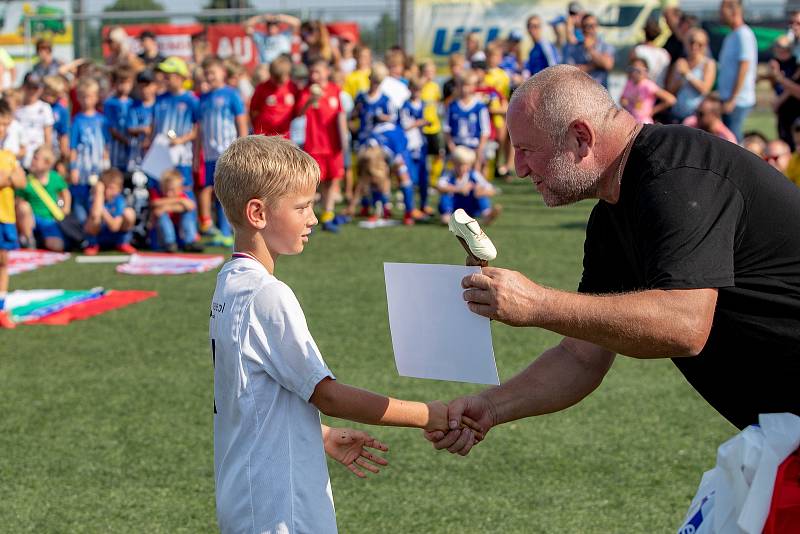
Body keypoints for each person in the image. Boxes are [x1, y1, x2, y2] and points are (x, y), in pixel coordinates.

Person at [424, 65, 800, 459]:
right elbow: (581, 356)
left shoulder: (677, 175)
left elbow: (685, 325)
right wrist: (492, 408)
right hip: (783, 435)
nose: (519, 170)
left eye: (527, 151)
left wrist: (537, 304)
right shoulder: (612, 213)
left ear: (581, 137)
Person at [209, 135, 459, 534]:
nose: (314, 218)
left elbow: (249, 395)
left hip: (247, 496)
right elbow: (327, 393)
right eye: (303, 206)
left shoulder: (229, 284)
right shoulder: (267, 295)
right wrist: (429, 414)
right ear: (257, 212)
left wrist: (318, 434)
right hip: (279, 509)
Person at [198, 56, 248, 246]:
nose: (209, 76)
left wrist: (242, 145)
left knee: (229, 192)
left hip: (229, 152)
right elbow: (200, 127)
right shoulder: (203, 98)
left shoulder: (231, 94)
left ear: (223, 73)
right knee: (218, 192)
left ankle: (232, 231)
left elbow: (241, 120)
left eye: (212, 72)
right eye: (206, 73)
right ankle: (223, 231)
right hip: (210, 154)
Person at [295, 60, 347, 232]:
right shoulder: (307, 92)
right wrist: (311, 100)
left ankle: (328, 215)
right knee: (312, 184)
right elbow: (299, 113)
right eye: (312, 72)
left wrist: (343, 140)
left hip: (332, 146)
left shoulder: (334, 90)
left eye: (317, 71)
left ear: (326, 71)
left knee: (332, 181)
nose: (313, 75)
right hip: (314, 146)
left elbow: (340, 115)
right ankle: (307, 218)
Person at [152, 57, 199, 194]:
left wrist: (181, 140)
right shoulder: (160, 99)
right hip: (161, 154)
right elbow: (154, 125)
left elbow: (198, 129)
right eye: (164, 74)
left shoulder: (191, 99)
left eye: (169, 74)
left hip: (182, 155)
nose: (165, 77)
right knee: (160, 191)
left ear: (180, 77)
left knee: (183, 191)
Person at [14, 146, 70, 252]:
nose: (32, 161)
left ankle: (40, 241)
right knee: (24, 207)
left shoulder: (55, 178)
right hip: (32, 219)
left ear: (47, 163)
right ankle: (29, 239)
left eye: (36, 158)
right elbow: (18, 201)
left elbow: (63, 195)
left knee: (57, 246)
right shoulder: (26, 180)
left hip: (49, 220)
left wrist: (62, 207)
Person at [69, 77, 109, 226]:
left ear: (97, 97)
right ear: (78, 98)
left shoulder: (102, 120)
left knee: (97, 199)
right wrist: (73, 168)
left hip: (98, 167)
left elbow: (106, 145)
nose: (87, 100)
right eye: (84, 97)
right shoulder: (77, 121)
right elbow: (73, 147)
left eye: (91, 96)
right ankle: (84, 234)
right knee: (80, 202)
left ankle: (95, 233)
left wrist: (106, 164)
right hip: (82, 169)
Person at [718, 0, 757, 142]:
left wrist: (733, 99)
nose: (720, 14)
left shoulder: (743, 35)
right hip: (729, 99)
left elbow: (744, 67)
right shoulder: (732, 35)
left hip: (737, 101)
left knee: (734, 143)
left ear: (734, 12)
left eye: (723, 11)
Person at [0, 111, 25, 328]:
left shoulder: (8, 155)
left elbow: (21, 181)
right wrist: (10, 177)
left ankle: (1, 306)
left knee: (4, 261)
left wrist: (7, 177)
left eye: (5, 125)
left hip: (6, 215)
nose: (2, 129)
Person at [437, 145, 499, 225]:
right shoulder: (449, 174)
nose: (462, 168)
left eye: (465, 165)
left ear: (470, 165)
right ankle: (447, 216)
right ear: (453, 163)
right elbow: (439, 187)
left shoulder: (474, 175)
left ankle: (487, 214)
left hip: (470, 205)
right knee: (446, 195)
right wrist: (459, 189)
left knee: (480, 193)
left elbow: (492, 190)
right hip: (454, 206)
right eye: (459, 164)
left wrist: (480, 191)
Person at [666, 28, 716, 123]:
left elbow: (705, 89)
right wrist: (681, 80)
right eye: (692, 42)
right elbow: (670, 90)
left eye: (700, 44)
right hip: (677, 113)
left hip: (696, 116)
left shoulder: (708, 64)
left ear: (705, 46)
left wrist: (687, 74)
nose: (695, 47)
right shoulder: (680, 62)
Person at [83, 168, 136, 255]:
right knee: (95, 218)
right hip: (98, 236)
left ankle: (122, 243)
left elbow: (114, 227)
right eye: (105, 188)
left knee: (129, 213)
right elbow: (95, 215)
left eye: (111, 188)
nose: (107, 191)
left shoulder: (119, 200)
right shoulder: (96, 198)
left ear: (119, 189)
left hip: (114, 235)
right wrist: (99, 192)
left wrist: (103, 210)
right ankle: (93, 244)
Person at [443, 72, 490, 171]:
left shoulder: (479, 107)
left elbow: (485, 131)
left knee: (476, 174)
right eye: (462, 85)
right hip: (457, 145)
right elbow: (446, 129)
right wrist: (453, 149)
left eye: (468, 85)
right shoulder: (452, 106)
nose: (465, 89)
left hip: (474, 146)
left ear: (474, 86)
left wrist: (479, 150)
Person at [150, 169, 203, 253]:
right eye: (166, 190)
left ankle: (190, 242)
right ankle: (169, 243)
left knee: (187, 213)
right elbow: (155, 205)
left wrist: (167, 207)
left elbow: (191, 206)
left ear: (180, 189)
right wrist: (179, 201)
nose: (169, 194)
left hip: (178, 232)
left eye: (172, 190)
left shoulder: (182, 196)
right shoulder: (159, 195)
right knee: (162, 215)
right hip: (160, 237)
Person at [250, 55, 298, 138]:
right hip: (264, 136)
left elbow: (297, 111)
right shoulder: (262, 88)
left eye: (280, 80)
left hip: (284, 137)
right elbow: (253, 111)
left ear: (288, 75)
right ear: (271, 74)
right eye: (275, 79)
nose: (277, 83)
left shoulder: (292, 88)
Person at [563, 14, 615, 88]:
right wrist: (593, 66)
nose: (589, 29)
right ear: (581, 29)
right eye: (585, 26)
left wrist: (590, 49)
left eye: (592, 26)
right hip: (580, 92)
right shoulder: (574, 48)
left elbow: (607, 64)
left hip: (600, 92)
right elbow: (569, 71)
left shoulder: (605, 46)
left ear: (597, 27)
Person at [767, 36, 800, 150]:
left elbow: (793, 87)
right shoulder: (776, 63)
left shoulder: (795, 63)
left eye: (780, 46)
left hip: (794, 109)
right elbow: (775, 86)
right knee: (784, 141)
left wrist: (779, 101)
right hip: (783, 111)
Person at [620, 57, 676, 124]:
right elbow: (622, 99)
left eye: (638, 71)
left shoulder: (648, 85)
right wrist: (625, 103)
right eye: (632, 69)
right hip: (630, 121)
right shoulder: (629, 83)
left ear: (645, 71)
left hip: (644, 122)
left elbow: (671, 100)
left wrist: (653, 111)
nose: (634, 73)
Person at [16, 73, 54, 169]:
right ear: (23, 87)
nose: (32, 91)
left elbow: (48, 137)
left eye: (36, 88)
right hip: (19, 159)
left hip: (37, 161)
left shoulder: (45, 108)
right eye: (29, 88)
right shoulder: (16, 108)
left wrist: (46, 158)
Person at [104, 66, 135, 174]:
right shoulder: (110, 103)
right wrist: (125, 140)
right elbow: (110, 127)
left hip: (131, 151)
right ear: (114, 83)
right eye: (121, 82)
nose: (124, 86)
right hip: (116, 148)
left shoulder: (134, 103)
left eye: (127, 83)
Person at [126, 70, 158, 173]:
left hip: (157, 152)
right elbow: (130, 128)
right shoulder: (134, 107)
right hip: (138, 154)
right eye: (141, 86)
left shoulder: (160, 106)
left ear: (155, 86)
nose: (145, 89)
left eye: (147, 85)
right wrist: (144, 129)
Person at [41, 76, 70, 175]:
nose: (50, 98)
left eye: (54, 95)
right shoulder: (38, 106)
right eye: (48, 94)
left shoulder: (61, 110)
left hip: (54, 148)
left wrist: (64, 154)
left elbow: (63, 133)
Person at [631, 19, 671, 87]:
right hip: (659, 90)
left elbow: (631, 73)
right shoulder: (665, 53)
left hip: (642, 91)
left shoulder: (638, 50)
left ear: (645, 32)